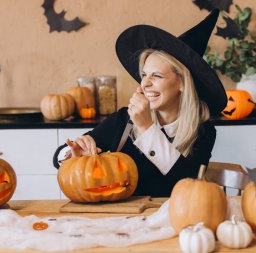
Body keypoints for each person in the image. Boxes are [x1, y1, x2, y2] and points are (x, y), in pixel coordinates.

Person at [53, 9, 227, 197]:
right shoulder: (124, 119)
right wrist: (73, 153)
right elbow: (57, 157)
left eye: (157, 76)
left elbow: (187, 185)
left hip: (172, 220)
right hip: (124, 220)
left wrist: (146, 127)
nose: (145, 83)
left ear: (182, 83)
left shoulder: (202, 131)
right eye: (144, 75)